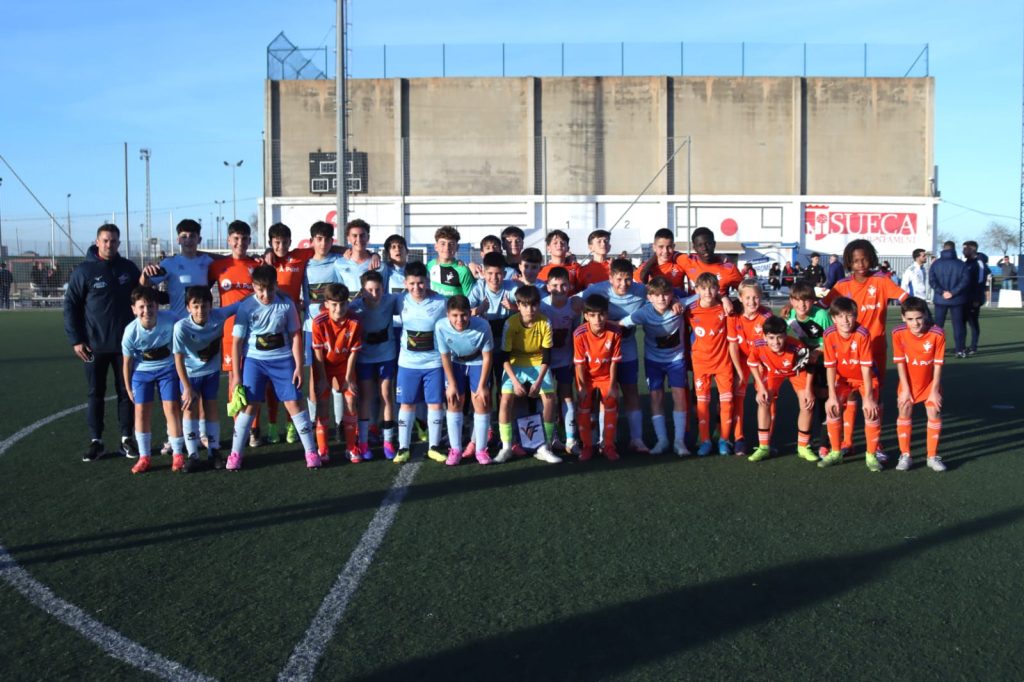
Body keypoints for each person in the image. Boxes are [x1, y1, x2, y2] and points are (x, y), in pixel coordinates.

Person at [227, 265, 321, 470]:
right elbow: (236, 342)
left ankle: (311, 452)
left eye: (269, 289)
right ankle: (235, 454)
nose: (265, 294)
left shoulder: (287, 305)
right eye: (260, 289)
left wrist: (297, 366)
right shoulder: (246, 307)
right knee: (249, 406)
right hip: (254, 361)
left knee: (294, 404)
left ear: (276, 286)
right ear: (253, 287)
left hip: (282, 360)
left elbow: (295, 335)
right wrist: (236, 375)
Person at [822, 239, 907, 463]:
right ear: (848, 261)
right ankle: (847, 442)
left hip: (875, 349)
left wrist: (921, 314)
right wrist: (795, 305)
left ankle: (875, 444)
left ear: (872, 258)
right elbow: (822, 305)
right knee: (849, 394)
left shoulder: (881, 281)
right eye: (855, 260)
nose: (860, 264)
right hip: (847, 351)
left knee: (873, 398)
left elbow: (905, 299)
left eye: (864, 259)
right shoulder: (842, 285)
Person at [64, 224, 143, 462]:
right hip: (93, 346)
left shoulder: (128, 268)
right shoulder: (84, 271)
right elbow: (71, 306)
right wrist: (76, 339)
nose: (110, 245)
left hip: (125, 347)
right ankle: (96, 440)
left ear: (119, 243)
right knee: (95, 393)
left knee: (126, 392)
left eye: (114, 241)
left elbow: (142, 295)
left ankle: (126, 438)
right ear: (97, 242)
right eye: (106, 240)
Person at [579, 258, 649, 453]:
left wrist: (676, 301)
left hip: (627, 349)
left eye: (627, 279)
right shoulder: (597, 290)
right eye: (618, 279)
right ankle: (600, 439)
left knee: (630, 391)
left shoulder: (640, 291)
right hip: (601, 353)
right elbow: (577, 299)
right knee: (600, 395)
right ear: (610, 278)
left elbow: (663, 295)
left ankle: (636, 439)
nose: (623, 284)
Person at [617, 276, 690, 456]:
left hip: (676, 360)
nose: (661, 298)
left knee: (679, 396)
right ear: (649, 297)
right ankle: (662, 440)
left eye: (665, 294)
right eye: (656, 295)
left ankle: (679, 441)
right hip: (653, 361)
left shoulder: (680, 306)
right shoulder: (643, 313)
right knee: (656, 397)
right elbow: (620, 324)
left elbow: (704, 298)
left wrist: (725, 298)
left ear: (672, 295)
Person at [172, 286, 241, 471]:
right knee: (189, 409)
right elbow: (177, 358)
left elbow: (239, 305)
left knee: (211, 408)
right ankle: (193, 454)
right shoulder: (181, 327)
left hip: (211, 373)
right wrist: (186, 387)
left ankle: (214, 451)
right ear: (188, 308)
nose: (200, 310)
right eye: (195, 306)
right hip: (190, 375)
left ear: (212, 306)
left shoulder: (218, 316)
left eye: (204, 306)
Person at [208, 220, 264, 446]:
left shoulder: (257, 266)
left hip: (254, 332)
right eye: (236, 238)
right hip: (229, 333)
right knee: (234, 379)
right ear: (229, 241)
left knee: (254, 381)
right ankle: (238, 426)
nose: (240, 242)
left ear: (250, 241)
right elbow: (200, 294)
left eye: (244, 238)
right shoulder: (217, 266)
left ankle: (254, 428)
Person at [120, 286, 185, 474]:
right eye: (141, 307)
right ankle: (144, 456)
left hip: (167, 369)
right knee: (141, 412)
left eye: (150, 306)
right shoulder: (130, 332)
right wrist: (128, 387)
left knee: (172, 408)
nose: (146, 311)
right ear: (133, 309)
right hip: (142, 373)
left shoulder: (171, 319)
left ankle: (178, 454)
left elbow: (186, 332)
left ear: (157, 306)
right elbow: (127, 363)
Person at [494, 284, 561, 464]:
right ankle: (506, 447)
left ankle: (544, 447)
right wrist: (515, 383)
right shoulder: (511, 323)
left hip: (539, 363)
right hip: (515, 364)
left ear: (538, 305)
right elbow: (505, 357)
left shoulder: (545, 322)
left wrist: (538, 382)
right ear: (518, 305)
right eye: (524, 305)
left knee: (549, 398)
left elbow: (547, 357)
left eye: (533, 305)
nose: (529, 309)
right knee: (506, 399)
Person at [817, 297, 882, 472]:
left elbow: (866, 368)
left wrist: (868, 399)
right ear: (833, 318)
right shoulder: (829, 334)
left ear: (856, 316)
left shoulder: (863, 334)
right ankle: (836, 452)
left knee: (871, 411)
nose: (845, 321)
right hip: (843, 379)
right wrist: (831, 396)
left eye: (850, 316)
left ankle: (871, 455)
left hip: (865, 378)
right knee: (832, 408)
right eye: (840, 316)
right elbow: (830, 367)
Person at [393, 260, 449, 464]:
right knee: (407, 404)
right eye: (412, 283)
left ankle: (433, 446)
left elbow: (457, 315)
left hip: (433, 364)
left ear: (427, 281)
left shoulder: (440, 301)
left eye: (421, 283)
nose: (417, 288)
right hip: (408, 364)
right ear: (405, 283)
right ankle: (403, 448)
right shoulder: (399, 300)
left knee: (435, 404)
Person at [684, 272, 742, 456]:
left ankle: (724, 440)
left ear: (718, 289)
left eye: (712, 287)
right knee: (702, 404)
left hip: (723, 363)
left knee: (727, 402)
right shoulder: (690, 310)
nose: (708, 292)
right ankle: (705, 440)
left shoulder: (725, 309)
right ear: (697, 290)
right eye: (704, 288)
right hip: (700, 363)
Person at [745, 315, 817, 463]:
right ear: (764, 337)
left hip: (796, 372)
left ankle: (803, 447)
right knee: (764, 401)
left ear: (786, 335)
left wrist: (809, 390)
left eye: (779, 337)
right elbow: (752, 364)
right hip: (772, 372)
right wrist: (760, 387)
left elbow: (810, 366)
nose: (776, 342)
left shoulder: (797, 347)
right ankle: (764, 447)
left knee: (807, 404)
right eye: (771, 338)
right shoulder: (758, 345)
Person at [349, 269, 403, 459]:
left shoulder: (391, 300)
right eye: (370, 290)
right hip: (364, 358)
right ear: (362, 291)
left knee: (387, 394)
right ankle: (363, 443)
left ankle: (388, 440)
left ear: (383, 288)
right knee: (366, 397)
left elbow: (412, 299)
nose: (374, 294)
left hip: (386, 355)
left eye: (378, 289)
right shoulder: (354, 307)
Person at [436, 295, 495, 465]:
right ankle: (455, 449)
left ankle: (481, 450)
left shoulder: (483, 326)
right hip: (456, 363)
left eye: (463, 315)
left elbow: (487, 356)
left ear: (470, 313)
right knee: (454, 401)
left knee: (481, 401)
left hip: (477, 361)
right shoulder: (440, 327)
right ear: (447, 315)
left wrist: (483, 385)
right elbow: (444, 356)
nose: (459, 320)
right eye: (454, 315)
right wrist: (452, 384)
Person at [892, 297, 946, 472]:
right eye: (910, 319)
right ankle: (905, 455)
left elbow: (938, 364)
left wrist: (935, 390)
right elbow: (900, 363)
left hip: (930, 383)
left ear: (925, 315)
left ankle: (932, 456)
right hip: (908, 382)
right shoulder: (898, 333)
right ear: (903, 318)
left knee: (934, 410)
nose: (915, 323)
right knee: (904, 408)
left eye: (919, 318)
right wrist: (905, 390)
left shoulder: (937, 333)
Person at [311, 283, 362, 463]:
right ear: (326, 304)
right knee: (323, 402)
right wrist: (323, 379)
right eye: (334, 304)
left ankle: (351, 447)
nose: (338, 308)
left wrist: (348, 378)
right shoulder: (318, 322)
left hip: (344, 366)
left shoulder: (354, 322)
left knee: (350, 400)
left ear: (347, 304)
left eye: (342, 304)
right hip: (324, 366)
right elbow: (317, 354)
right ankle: (323, 449)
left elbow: (354, 352)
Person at [573, 294, 623, 461]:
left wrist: (613, 384)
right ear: (586, 316)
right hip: (586, 377)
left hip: (606, 376)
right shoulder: (579, 334)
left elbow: (615, 362)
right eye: (593, 315)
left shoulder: (615, 331)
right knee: (584, 406)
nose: (598, 319)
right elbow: (579, 363)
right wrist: (581, 387)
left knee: (610, 404)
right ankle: (587, 446)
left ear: (607, 314)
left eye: (601, 314)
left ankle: (608, 445)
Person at [728, 278, 772, 456]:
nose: (751, 302)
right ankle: (739, 438)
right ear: (740, 298)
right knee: (737, 398)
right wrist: (739, 371)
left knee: (767, 398)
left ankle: (767, 440)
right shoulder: (734, 317)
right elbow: (733, 346)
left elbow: (770, 345)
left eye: (755, 297)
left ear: (760, 297)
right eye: (747, 298)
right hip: (741, 360)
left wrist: (762, 364)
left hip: (761, 361)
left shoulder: (766, 318)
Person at [540, 267, 581, 453]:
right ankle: (551, 437)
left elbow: (575, 333)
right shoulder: (541, 306)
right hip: (544, 361)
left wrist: (575, 359)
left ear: (570, 286)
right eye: (555, 285)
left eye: (564, 284)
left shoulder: (573, 307)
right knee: (548, 399)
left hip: (565, 359)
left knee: (566, 395)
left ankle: (571, 439)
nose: (559, 288)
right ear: (548, 287)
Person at [928, 240, 970, 359]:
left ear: (943, 249)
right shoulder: (961, 264)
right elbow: (965, 281)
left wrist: (942, 292)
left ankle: (936, 349)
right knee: (958, 325)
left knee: (938, 326)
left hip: (940, 299)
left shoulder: (936, 264)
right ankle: (959, 349)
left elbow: (932, 281)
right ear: (954, 249)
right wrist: (953, 292)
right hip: (957, 300)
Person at [427, 225, 475, 297]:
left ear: (457, 247)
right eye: (443, 244)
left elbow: (471, 300)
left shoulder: (463, 271)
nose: (447, 248)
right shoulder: (429, 266)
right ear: (436, 247)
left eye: (451, 244)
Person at [962, 240, 988, 356]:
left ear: (972, 249)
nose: (963, 251)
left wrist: (977, 299)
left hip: (973, 299)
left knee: (973, 322)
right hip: (964, 298)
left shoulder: (979, 263)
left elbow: (980, 282)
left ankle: (973, 346)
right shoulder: (967, 262)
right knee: (962, 322)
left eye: (965, 248)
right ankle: (962, 346)